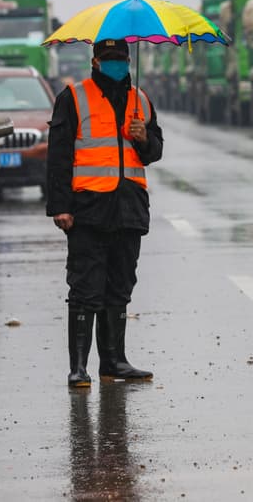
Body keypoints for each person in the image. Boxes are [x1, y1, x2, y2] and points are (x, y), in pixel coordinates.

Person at [47, 37, 163, 388]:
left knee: (120, 288)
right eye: (108, 58)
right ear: (95, 61)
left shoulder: (140, 100)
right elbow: (59, 155)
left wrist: (143, 138)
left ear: (128, 61)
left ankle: (114, 362)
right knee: (85, 288)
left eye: (120, 58)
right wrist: (60, 207)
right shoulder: (73, 97)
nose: (115, 63)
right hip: (88, 211)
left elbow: (155, 152)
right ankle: (79, 367)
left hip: (129, 209)